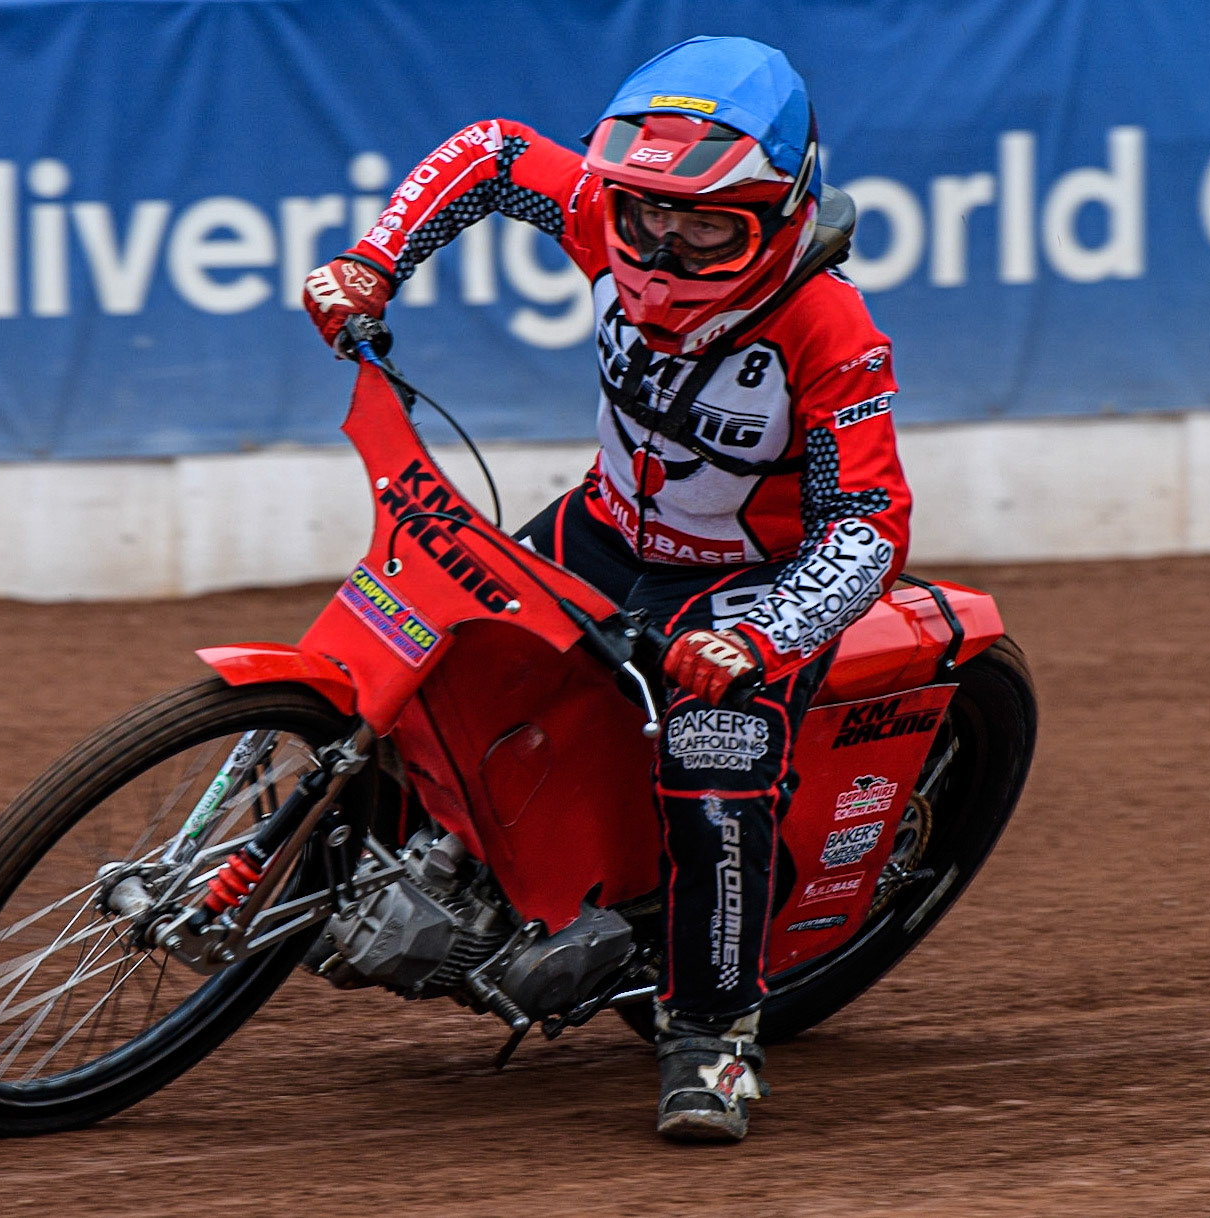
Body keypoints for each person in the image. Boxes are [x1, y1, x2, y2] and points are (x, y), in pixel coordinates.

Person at [301, 36, 910, 1143]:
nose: (664, 251)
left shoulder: (832, 332)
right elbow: (488, 153)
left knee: (711, 763)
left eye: (706, 228)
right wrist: (374, 261)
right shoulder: (608, 207)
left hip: (746, 590)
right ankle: (389, 865)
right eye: (643, 220)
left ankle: (711, 1038)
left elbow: (867, 529)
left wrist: (763, 640)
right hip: (600, 531)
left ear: (782, 213)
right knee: (431, 639)